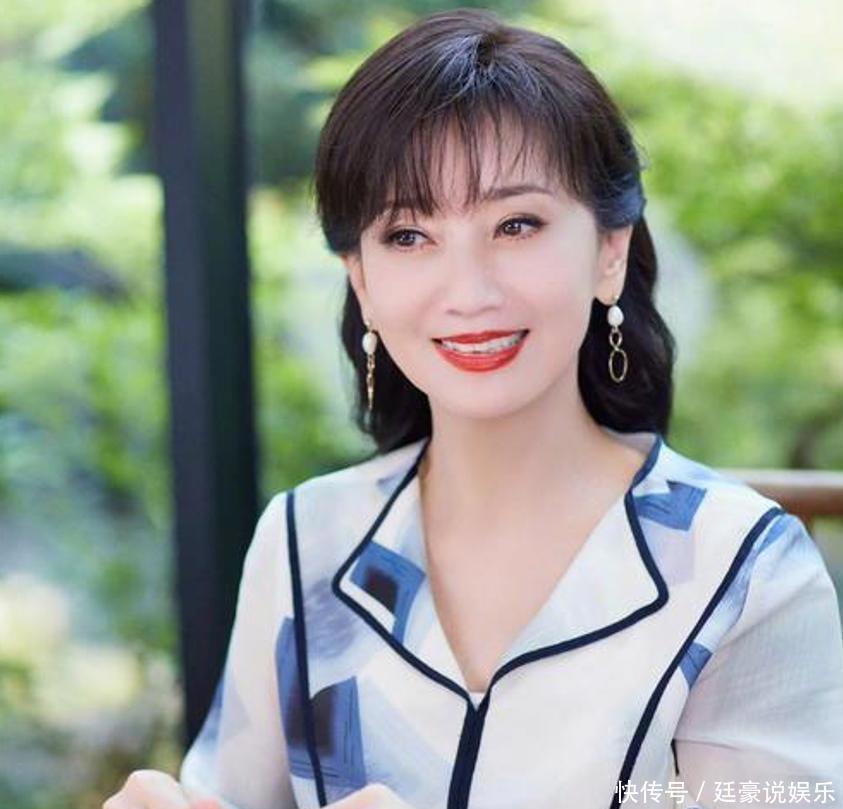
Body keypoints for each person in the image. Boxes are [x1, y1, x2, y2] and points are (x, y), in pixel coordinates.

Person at [104, 7, 843, 809]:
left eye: (516, 224)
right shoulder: (303, 540)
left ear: (609, 250)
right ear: (361, 280)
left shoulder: (741, 567)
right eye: (408, 235)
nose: (468, 291)